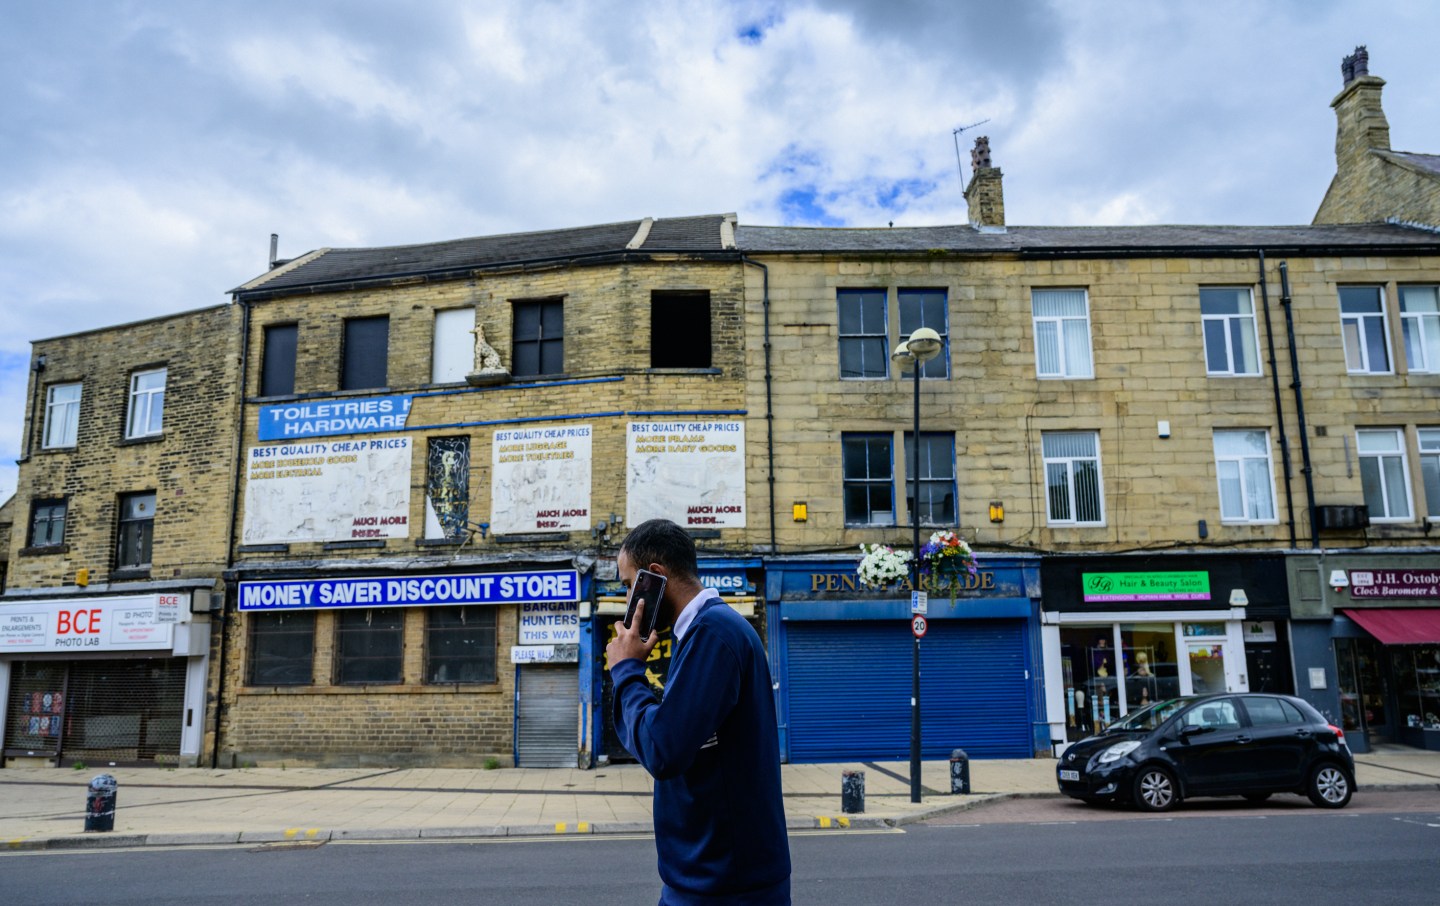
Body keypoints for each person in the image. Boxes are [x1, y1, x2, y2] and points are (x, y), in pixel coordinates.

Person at [605, 518, 791, 905]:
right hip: (712, 879)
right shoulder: (706, 632)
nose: (626, 601)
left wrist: (626, 670)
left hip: (723, 886)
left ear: (653, 577)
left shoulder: (713, 635)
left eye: (628, 586)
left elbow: (663, 749)